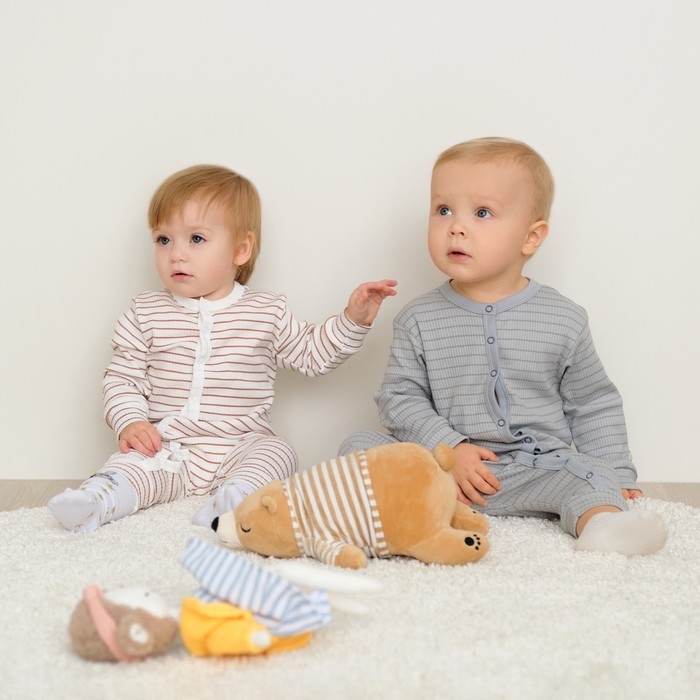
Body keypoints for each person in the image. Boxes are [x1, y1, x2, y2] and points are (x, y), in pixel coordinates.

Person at [339, 137, 666, 556]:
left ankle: (602, 526)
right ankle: (406, 519)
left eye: (482, 213)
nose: (456, 227)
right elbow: (399, 398)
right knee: (359, 447)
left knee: (591, 474)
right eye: (443, 210)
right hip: (445, 471)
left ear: (531, 237)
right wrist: (450, 448)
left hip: (536, 470)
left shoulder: (564, 318)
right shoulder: (417, 318)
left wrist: (619, 475)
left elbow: (593, 403)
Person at [49, 164, 397, 533]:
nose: (176, 254)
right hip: (168, 448)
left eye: (196, 239)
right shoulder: (145, 312)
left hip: (240, 445)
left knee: (279, 452)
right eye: (163, 240)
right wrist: (130, 421)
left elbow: (313, 354)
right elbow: (122, 378)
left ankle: (236, 500)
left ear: (241, 250)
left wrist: (353, 319)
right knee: (131, 465)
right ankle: (97, 499)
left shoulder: (266, 311)